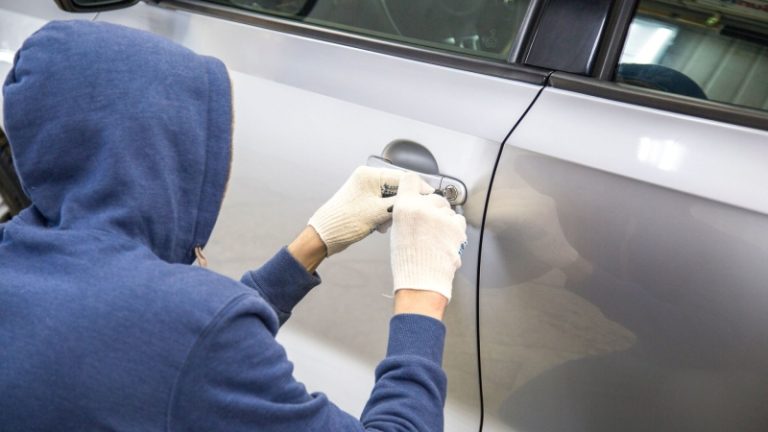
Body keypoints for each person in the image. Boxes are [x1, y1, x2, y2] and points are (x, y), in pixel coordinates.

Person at [0, 20, 467, 431]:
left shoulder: (19, 264)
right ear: (163, 154)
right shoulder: (180, 327)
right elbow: (189, 343)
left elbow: (169, 353)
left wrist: (313, 243)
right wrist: (421, 294)